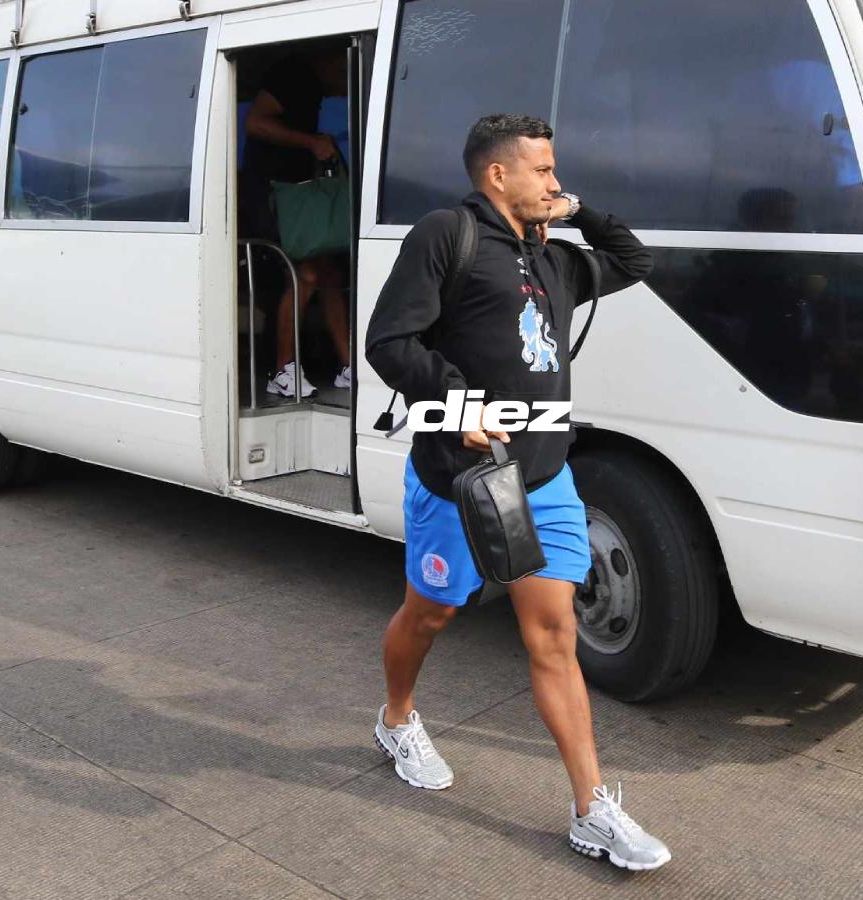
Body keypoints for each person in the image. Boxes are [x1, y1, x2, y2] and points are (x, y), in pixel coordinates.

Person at [364, 114, 669, 870]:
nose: (555, 182)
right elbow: (389, 341)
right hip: (459, 482)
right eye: (543, 170)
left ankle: (592, 808)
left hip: (544, 476)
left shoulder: (557, 262)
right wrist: (459, 400)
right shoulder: (446, 235)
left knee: (554, 636)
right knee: (429, 613)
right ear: (497, 175)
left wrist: (578, 212)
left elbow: (636, 259)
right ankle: (397, 718)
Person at [241, 44, 352, 398]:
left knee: (329, 273)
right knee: (305, 274)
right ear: (332, 60)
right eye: (346, 73)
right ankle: (282, 370)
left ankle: (349, 366)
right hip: (271, 200)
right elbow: (254, 122)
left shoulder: (314, 88)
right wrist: (311, 143)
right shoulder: (294, 74)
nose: (347, 86)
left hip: (296, 201)